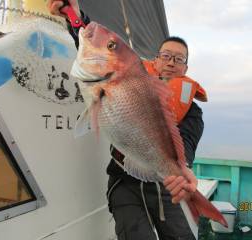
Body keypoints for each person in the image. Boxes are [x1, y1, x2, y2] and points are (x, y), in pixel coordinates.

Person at [48, 1, 207, 239]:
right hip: (123, 182)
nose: (172, 62)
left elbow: (187, 142)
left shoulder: (192, 111)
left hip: (165, 188)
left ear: (186, 67)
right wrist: (76, 16)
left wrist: (182, 170)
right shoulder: (128, 74)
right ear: (156, 59)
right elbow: (98, 48)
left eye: (179, 59)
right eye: (167, 55)